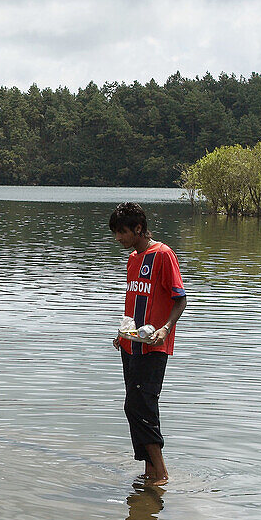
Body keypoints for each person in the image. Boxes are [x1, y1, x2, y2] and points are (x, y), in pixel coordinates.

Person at [110, 202, 186, 486]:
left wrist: (165, 329)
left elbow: (180, 299)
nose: (118, 238)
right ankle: (149, 472)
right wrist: (123, 333)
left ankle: (161, 473)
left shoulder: (163, 255)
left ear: (138, 228)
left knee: (142, 406)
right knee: (133, 406)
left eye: (122, 232)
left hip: (153, 346)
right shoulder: (133, 259)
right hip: (131, 346)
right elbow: (133, 303)